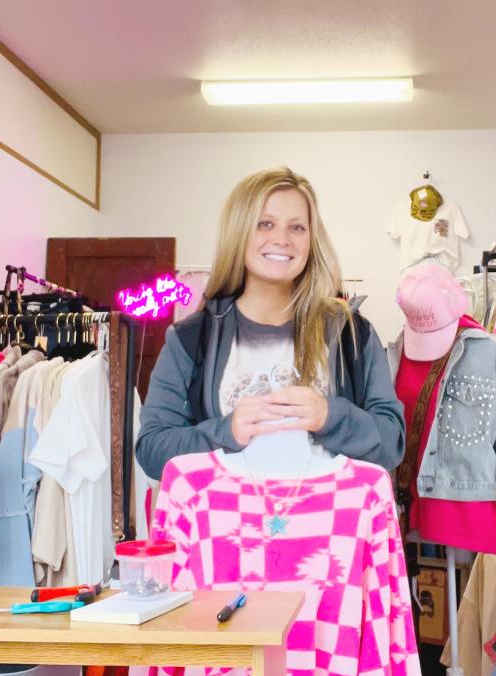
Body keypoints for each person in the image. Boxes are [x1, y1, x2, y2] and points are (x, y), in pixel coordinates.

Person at [136, 166, 404, 480]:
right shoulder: (191, 339)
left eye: (297, 228)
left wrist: (330, 417)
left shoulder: (350, 333)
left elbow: (392, 444)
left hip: (328, 526)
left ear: (311, 240)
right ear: (239, 232)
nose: (282, 239)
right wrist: (227, 431)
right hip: (224, 527)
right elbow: (152, 450)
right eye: (265, 224)